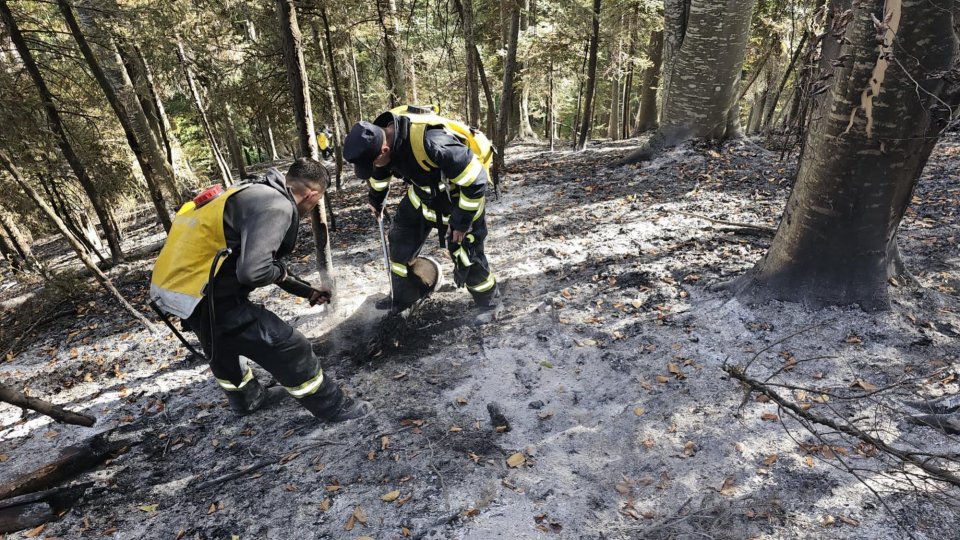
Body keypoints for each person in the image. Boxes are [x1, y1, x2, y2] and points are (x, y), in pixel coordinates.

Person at [150, 158, 370, 421]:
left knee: (221, 347)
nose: (311, 209)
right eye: (316, 202)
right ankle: (334, 408)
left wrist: (306, 290)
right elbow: (253, 271)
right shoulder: (277, 205)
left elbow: (257, 261)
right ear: (312, 194)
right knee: (290, 346)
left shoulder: (249, 191)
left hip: (177, 291)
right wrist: (280, 273)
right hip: (207, 296)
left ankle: (247, 400)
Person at [343, 106, 500, 318]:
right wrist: (376, 199)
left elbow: (476, 180)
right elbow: (379, 171)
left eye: (373, 162)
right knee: (399, 242)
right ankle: (406, 296)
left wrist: (462, 222)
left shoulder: (433, 143)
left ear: (384, 150)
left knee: (465, 254)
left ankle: (489, 303)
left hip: (460, 201)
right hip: (422, 197)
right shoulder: (380, 139)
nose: (374, 167)